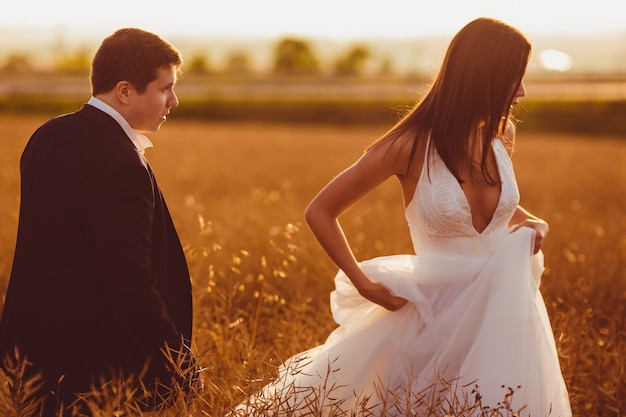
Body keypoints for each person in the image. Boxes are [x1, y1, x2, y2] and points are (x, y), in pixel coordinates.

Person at [233, 18, 572, 416]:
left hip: (503, 318)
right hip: (430, 320)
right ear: (485, 77)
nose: (522, 91)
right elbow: (320, 211)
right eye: (514, 78)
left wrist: (537, 222)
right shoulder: (407, 146)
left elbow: (498, 208)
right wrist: (363, 283)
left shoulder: (502, 136)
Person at [0, 28, 202, 415]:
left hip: (32, 359)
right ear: (124, 91)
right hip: (98, 374)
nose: (173, 101)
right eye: (165, 88)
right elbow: (131, 283)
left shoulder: (46, 137)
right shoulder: (123, 164)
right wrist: (180, 362)